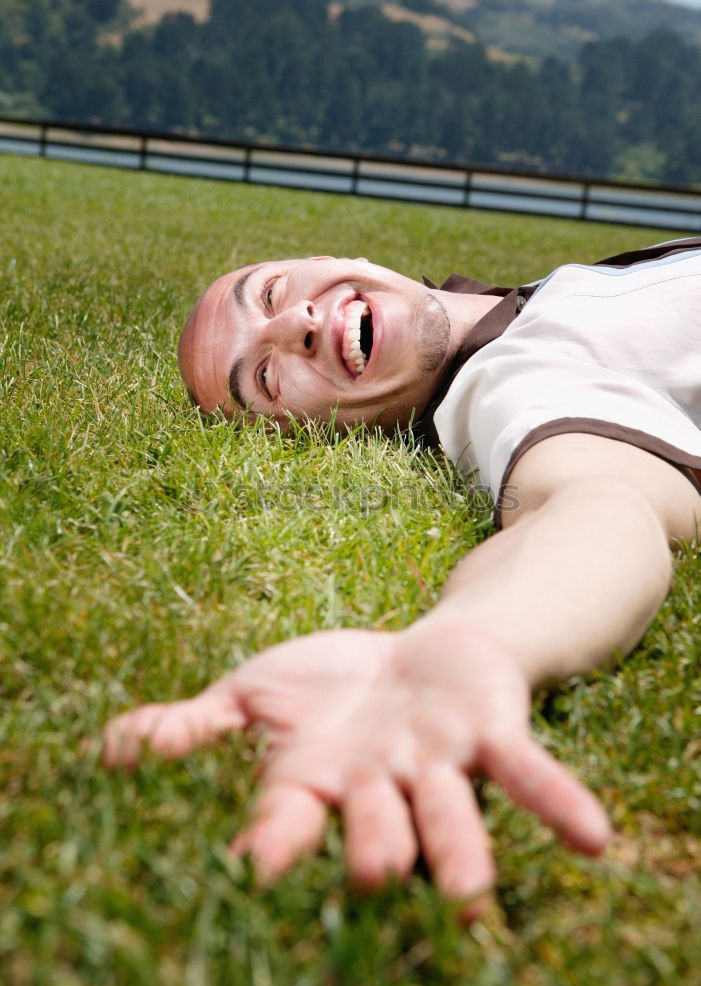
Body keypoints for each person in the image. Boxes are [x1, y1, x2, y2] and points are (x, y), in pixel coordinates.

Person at [103, 237, 701, 921]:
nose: (293, 323)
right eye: (265, 378)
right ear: (310, 436)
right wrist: (479, 638)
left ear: (325, 257)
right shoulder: (513, 381)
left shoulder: (523, 305)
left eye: (270, 292)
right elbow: (596, 505)